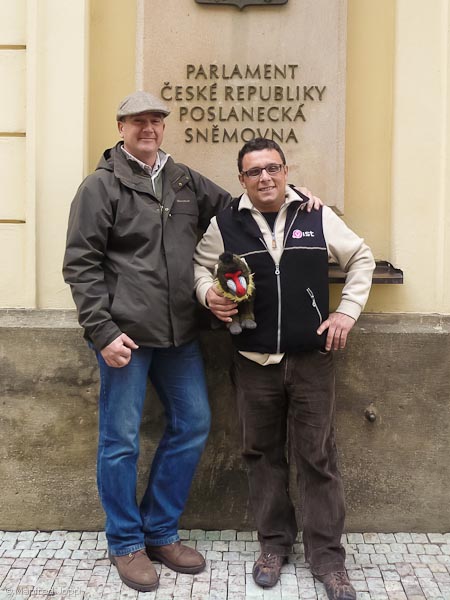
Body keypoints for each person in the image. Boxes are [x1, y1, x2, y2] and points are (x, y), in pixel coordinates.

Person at [63, 92, 320, 593]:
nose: (148, 129)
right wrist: (102, 331)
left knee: (193, 423)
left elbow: (237, 208)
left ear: (163, 127)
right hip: (125, 335)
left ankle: (159, 531)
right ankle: (125, 542)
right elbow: (81, 264)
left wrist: (291, 196)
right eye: (138, 121)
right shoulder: (100, 186)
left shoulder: (182, 179)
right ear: (121, 127)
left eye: (155, 121)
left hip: (180, 332)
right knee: (120, 441)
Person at [194, 137, 375, 600]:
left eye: (272, 168)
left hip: (312, 359)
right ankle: (274, 545)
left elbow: (361, 257)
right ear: (242, 179)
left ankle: (328, 558)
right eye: (254, 171)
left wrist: (347, 312)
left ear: (285, 170)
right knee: (261, 454)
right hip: (253, 362)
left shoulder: (315, 214)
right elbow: (199, 268)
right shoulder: (225, 223)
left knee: (318, 457)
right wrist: (207, 294)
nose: (265, 178)